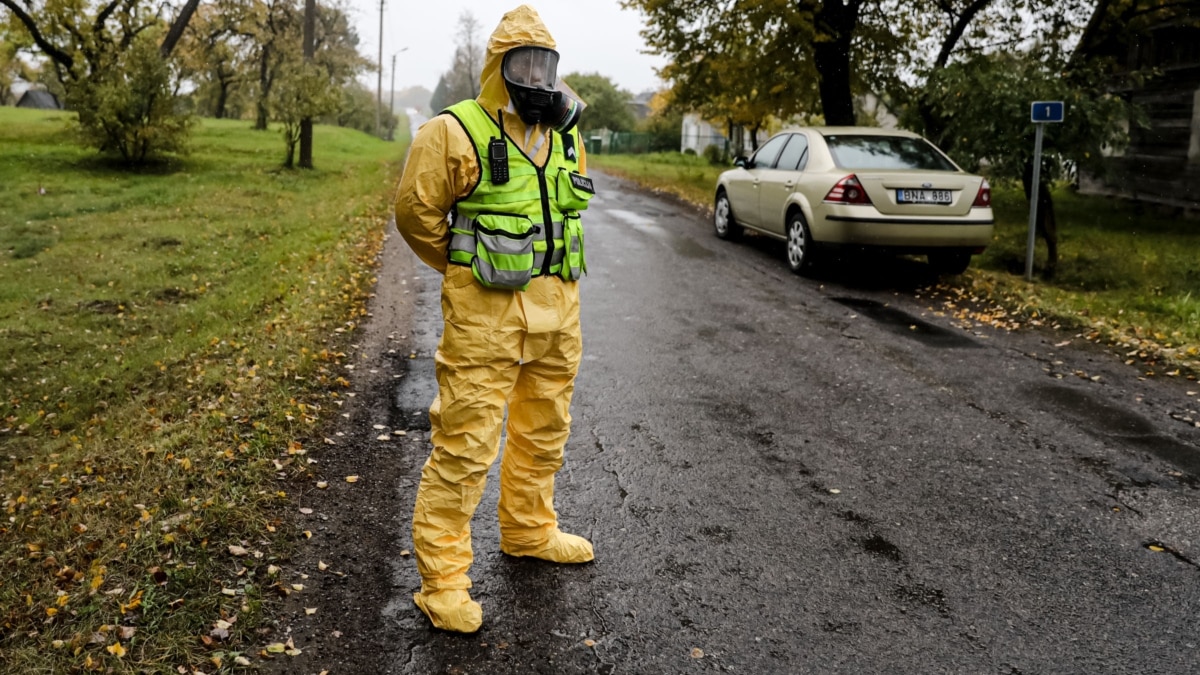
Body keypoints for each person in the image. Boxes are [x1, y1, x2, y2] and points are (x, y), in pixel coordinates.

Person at [392, 4, 596, 634]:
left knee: (544, 435)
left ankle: (530, 531)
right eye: (523, 63)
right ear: (496, 69)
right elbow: (416, 216)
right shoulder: (451, 133)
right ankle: (444, 582)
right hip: (486, 322)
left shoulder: (566, 135)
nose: (536, 76)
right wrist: (464, 270)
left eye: (546, 64)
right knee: (464, 448)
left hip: (559, 320)